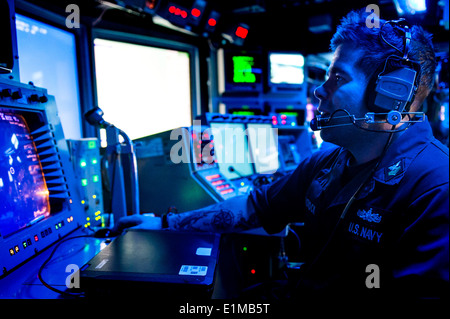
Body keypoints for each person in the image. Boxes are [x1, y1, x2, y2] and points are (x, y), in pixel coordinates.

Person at [115, 9, 449, 299]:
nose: (320, 89)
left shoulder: (436, 187)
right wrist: (164, 224)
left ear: (390, 95)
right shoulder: (328, 161)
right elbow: (255, 207)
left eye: (338, 77)